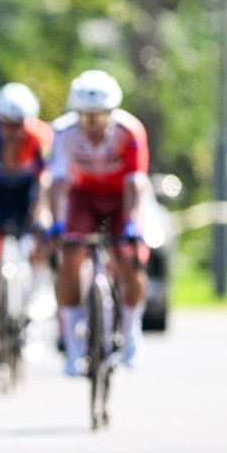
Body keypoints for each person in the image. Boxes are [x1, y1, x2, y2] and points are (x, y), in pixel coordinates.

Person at [48, 70, 150, 375]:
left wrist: (132, 223)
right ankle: (72, 342)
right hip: (85, 197)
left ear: (112, 112)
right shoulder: (63, 132)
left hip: (121, 198)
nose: (92, 124)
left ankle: (131, 330)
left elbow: (136, 183)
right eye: (85, 116)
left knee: (128, 256)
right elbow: (56, 181)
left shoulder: (129, 132)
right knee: (70, 254)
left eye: (100, 116)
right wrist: (56, 222)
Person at [0, 83, 53, 375]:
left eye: (18, 125)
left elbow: (44, 180)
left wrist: (42, 210)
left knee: (37, 243)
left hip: (25, 196)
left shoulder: (39, 138)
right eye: (6, 124)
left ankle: (31, 309)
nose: (12, 131)